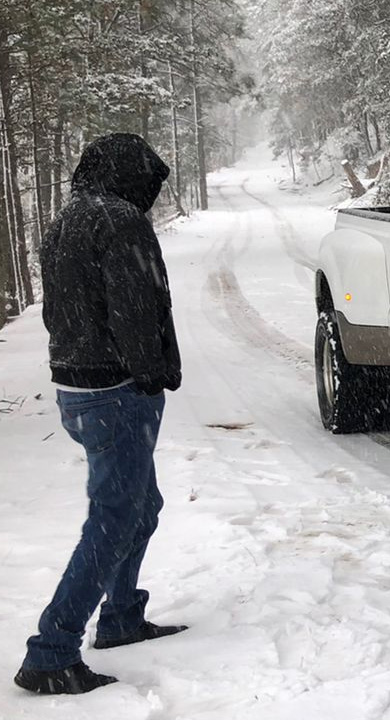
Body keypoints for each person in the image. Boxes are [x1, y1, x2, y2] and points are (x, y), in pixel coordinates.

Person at [14, 133, 187, 695]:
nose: (150, 196)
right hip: (117, 390)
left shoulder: (67, 219)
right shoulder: (118, 221)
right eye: (146, 183)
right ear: (126, 176)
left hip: (78, 387)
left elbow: (56, 310)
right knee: (115, 517)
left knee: (139, 506)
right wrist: (152, 370)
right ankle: (52, 650)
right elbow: (136, 305)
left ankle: (121, 618)